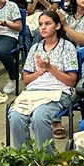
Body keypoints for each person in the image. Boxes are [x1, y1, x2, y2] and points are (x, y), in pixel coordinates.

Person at [9, 10, 79, 148]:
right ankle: (24, 157)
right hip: (34, 92)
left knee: (40, 117)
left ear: (57, 26)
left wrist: (50, 67)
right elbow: (27, 80)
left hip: (58, 92)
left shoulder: (68, 47)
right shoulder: (35, 48)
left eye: (48, 24)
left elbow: (71, 81)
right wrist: (39, 72)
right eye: (41, 24)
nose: (43, 27)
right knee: (15, 117)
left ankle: (46, 160)